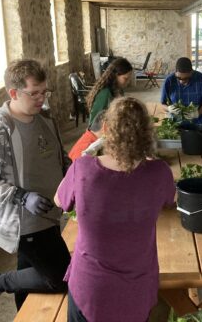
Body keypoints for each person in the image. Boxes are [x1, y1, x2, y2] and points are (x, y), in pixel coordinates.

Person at [54, 97, 176, 322]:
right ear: (146, 132)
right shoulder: (160, 172)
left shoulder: (82, 169)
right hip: (137, 287)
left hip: (90, 286)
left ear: (106, 129)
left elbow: (59, 201)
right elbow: (170, 199)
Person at [0, 59, 71, 319]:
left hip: (51, 212)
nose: (42, 99)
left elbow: (60, 158)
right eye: (35, 93)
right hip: (24, 221)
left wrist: (79, 175)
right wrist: (21, 196)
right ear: (13, 93)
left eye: (45, 92)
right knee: (61, 277)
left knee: (31, 275)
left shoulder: (45, 119)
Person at [160, 57, 202, 125]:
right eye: (179, 78)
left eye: (186, 78)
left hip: (197, 124)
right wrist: (168, 108)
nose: (182, 81)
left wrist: (197, 113)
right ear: (175, 72)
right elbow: (162, 104)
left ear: (191, 72)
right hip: (175, 124)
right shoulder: (169, 81)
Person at [86, 57, 133, 125]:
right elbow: (93, 123)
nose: (128, 82)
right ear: (116, 75)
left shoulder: (119, 89)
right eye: (125, 78)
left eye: (129, 79)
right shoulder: (105, 93)